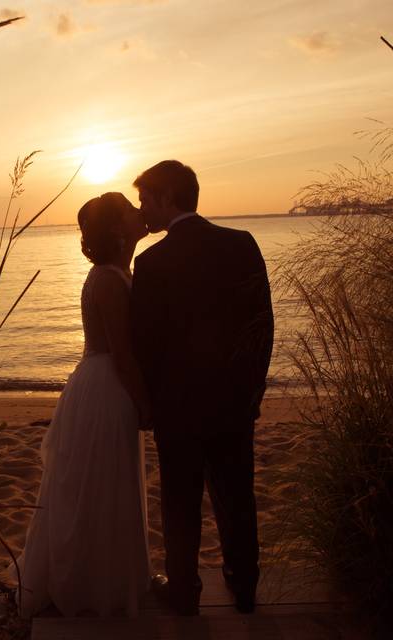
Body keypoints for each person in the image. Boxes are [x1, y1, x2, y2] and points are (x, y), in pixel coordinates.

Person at [130, 160, 273, 615]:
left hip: (178, 407)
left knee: (180, 500)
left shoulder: (151, 262)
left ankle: (185, 591)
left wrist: (150, 403)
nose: (143, 210)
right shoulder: (241, 244)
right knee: (237, 495)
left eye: (146, 200)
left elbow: (145, 343)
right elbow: (262, 325)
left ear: (169, 197)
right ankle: (245, 585)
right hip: (233, 401)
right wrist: (254, 389)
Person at [15, 192, 152, 617]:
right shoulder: (110, 280)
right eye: (130, 210)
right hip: (107, 388)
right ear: (116, 227)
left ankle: (108, 576)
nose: (138, 213)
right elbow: (124, 354)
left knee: (106, 484)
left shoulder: (116, 273)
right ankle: (95, 584)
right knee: (104, 484)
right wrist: (145, 404)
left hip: (102, 383)